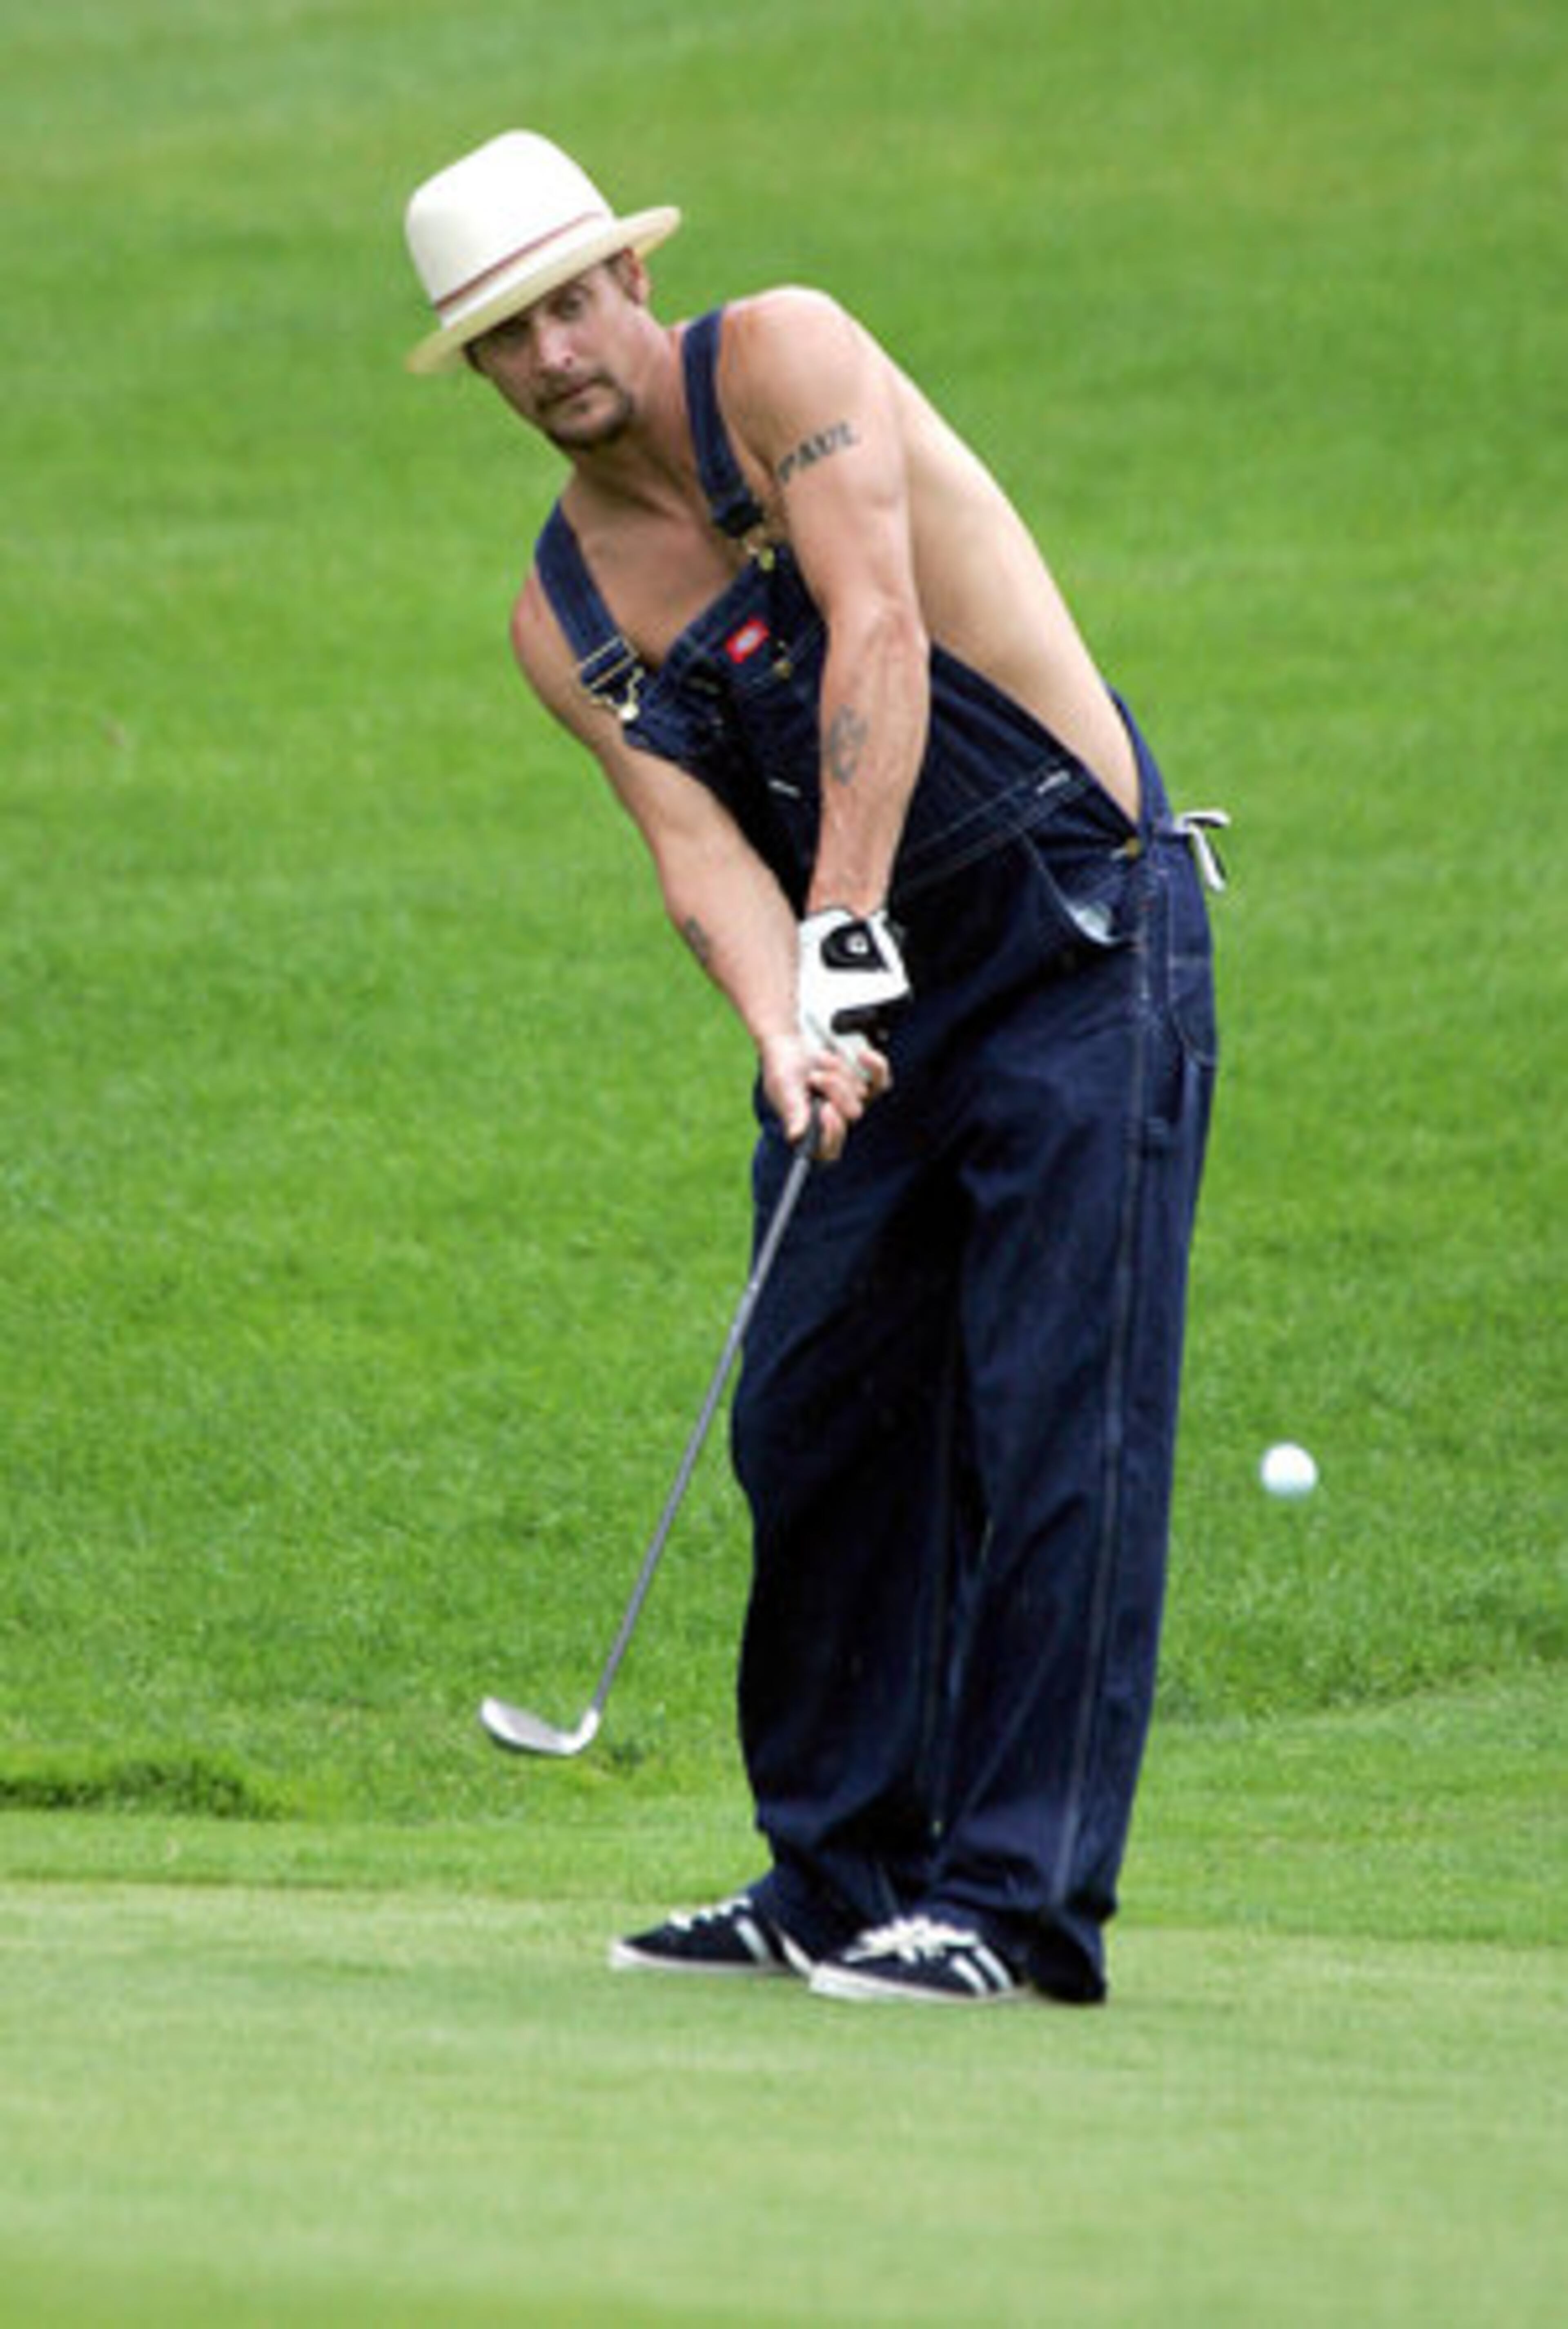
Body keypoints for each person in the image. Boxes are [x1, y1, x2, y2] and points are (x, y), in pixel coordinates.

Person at [403, 129, 1225, 2006]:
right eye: (499, 343)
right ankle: (838, 1875)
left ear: (626, 275)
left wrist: (843, 933)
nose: (545, 360)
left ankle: (1018, 1909)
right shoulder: (567, 615)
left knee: (1051, 1422)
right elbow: (698, 851)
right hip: (863, 1003)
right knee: (814, 1409)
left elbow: (879, 627)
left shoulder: (782, 358)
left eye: (559, 307)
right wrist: (790, 1025)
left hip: (1075, 937)